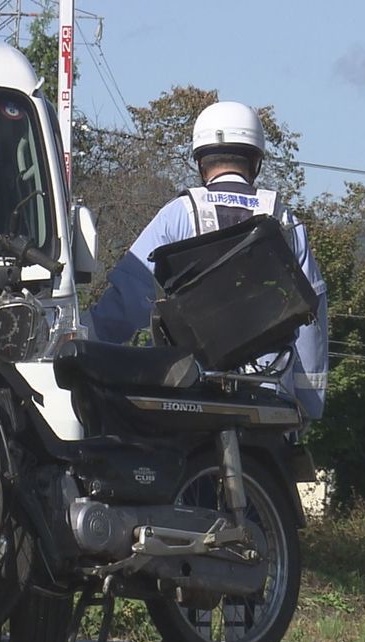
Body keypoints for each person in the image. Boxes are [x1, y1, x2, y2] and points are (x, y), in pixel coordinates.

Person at [87, 101, 328, 420]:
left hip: (190, 394)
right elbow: (312, 312)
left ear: (201, 161)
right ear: (255, 160)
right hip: (268, 395)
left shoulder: (177, 215)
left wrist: (86, 341)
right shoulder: (284, 221)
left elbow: (129, 294)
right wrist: (309, 406)